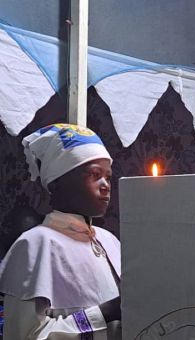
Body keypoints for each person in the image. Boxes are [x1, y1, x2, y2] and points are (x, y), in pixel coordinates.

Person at [0, 124, 122, 339]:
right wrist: (103, 313)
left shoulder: (109, 241)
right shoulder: (35, 245)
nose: (106, 185)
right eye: (95, 174)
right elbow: (24, 336)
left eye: (108, 176)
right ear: (57, 183)